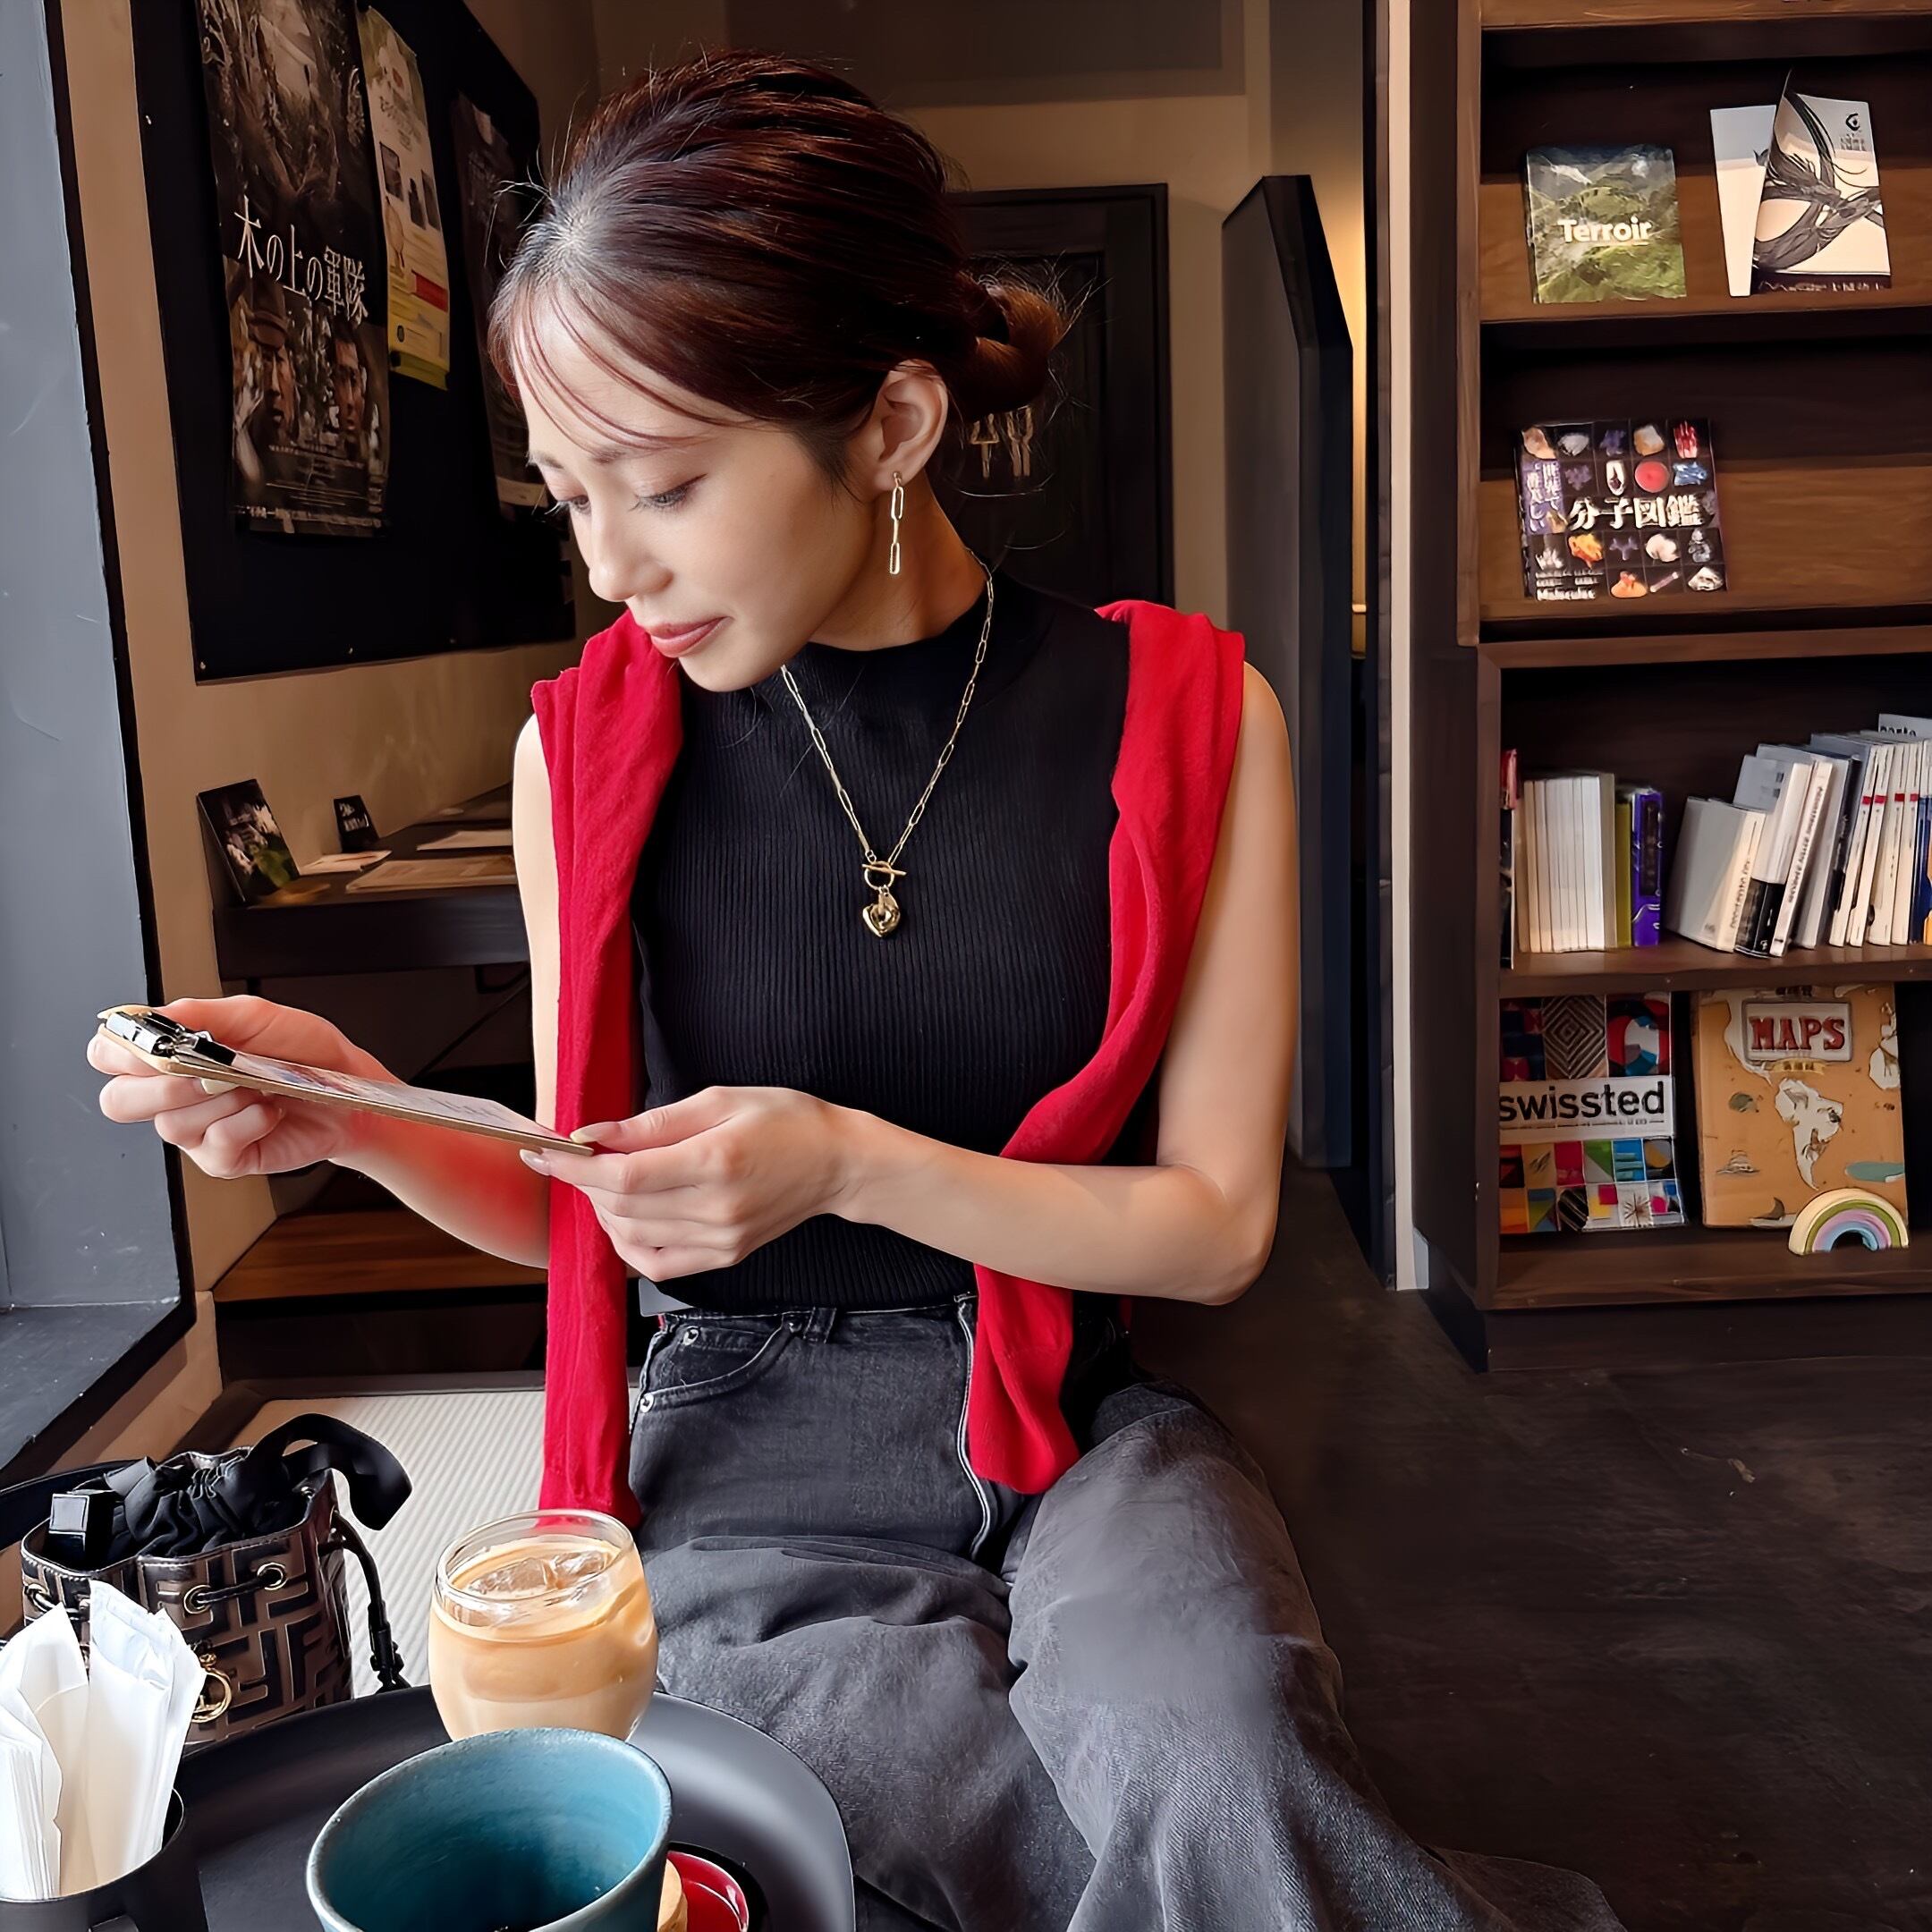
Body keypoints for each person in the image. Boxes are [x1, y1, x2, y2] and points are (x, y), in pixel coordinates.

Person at [89, 52, 1624, 1932]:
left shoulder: (1192, 717)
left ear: (892, 424)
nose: (611, 566)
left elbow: (1219, 1232)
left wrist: (845, 1161)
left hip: (1073, 1420)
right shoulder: (585, 751)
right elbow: (592, 1206)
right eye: (569, 499)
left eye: (666, 486)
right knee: (871, 1799)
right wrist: (350, 1110)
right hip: (737, 1442)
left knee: (1218, 1747)